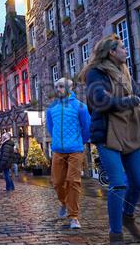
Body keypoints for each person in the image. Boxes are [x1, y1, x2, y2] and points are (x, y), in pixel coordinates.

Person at [80, 33, 140, 244]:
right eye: (122, 47)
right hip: (106, 133)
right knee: (118, 184)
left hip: (130, 131)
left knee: (137, 181)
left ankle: (128, 217)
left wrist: (128, 102)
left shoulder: (125, 72)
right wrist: (128, 101)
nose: (126, 50)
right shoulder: (95, 73)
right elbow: (100, 100)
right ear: (111, 52)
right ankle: (116, 233)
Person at [46, 77, 91, 230]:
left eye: (60, 86)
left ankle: (74, 217)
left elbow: (86, 128)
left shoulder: (80, 107)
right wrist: (58, 141)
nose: (58, 89)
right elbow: (50, 128)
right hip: (58, 150)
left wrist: (79, 142)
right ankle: (64, 203)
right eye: (56, 86)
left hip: (75, 150)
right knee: (57, 182)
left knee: (73, 182)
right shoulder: (51, 109)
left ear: (69, 88)